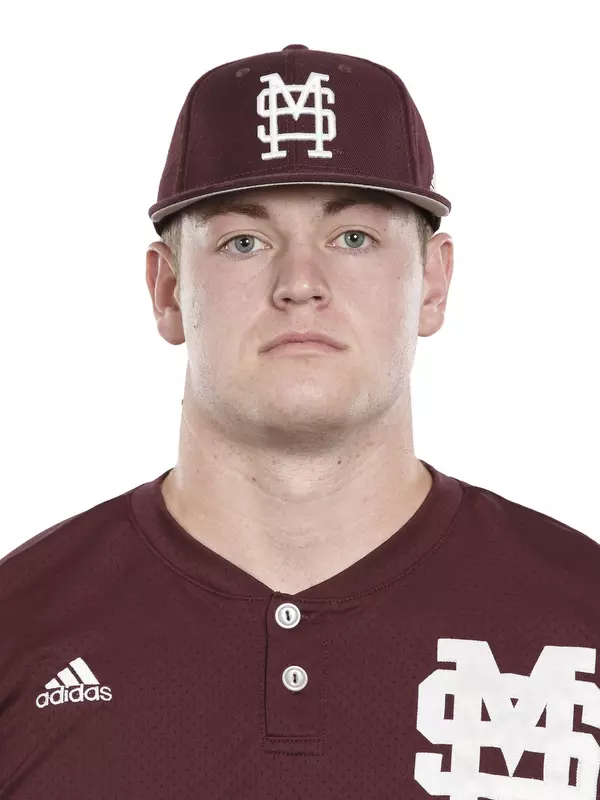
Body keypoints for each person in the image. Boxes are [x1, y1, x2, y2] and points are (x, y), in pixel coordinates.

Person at [1, 44, 599, 799]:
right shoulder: (20, 626)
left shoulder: (582, 617)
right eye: (243, 242)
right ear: (166, 289)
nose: (300, 285)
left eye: (354, 238)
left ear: (434, 283)